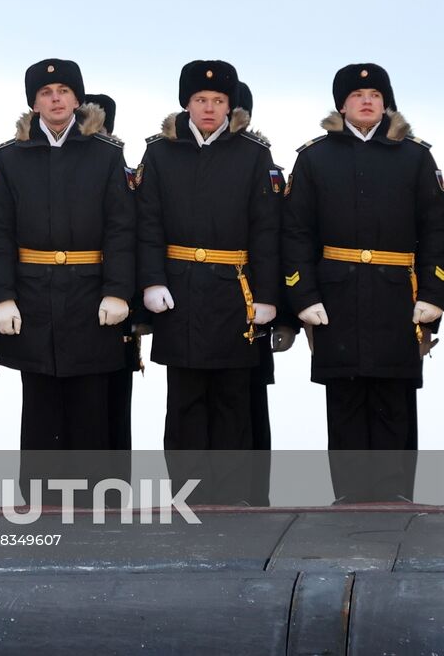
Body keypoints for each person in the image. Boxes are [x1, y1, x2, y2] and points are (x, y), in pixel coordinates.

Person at [282, 64, 444, 502]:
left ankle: (396, 501)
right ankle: (350, 500)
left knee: (394, 397)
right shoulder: (315, 157)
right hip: (336, 295)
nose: (367, 101)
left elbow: (436, 231)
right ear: (341, 104)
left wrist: (434, 293)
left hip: (399, 295)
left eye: (375, 93)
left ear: (386, 102)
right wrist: (304, 296)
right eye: (357, 95)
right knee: (347, 398)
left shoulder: (416, 156)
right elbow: (296, 232)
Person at [0, 59, 135, 500]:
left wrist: (117, 291)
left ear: (77, 99)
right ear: (33, 101)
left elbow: (122, 228)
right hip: (32, 294)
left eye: (64, 91)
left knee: (90, 399)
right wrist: (1, 297)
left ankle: (91, 501)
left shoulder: (106, 155)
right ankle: (40, 499)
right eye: (46, 91)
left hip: (91, 293)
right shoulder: (10, 159)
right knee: (40, 400)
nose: (55, 99)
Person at [136, 62, 279, 504]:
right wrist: (151, 282)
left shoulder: (253, 154)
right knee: (185, 396)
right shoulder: (160, 153)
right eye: (201, 100)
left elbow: (267, 230)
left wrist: (270, 296)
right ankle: (188, 493)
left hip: (236, 290)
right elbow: (146, 223)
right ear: (186, 103)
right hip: (178, 290)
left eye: (218, 101)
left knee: (233, 395)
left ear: (230, 105)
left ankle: (233, 495)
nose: (210, 108)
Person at [237, 81, 299, 505]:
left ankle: (255, 493)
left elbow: (279, 242)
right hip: (223, 300)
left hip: (255, 303)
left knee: (250, 398)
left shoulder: (263, 164)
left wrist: (285, 315)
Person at [85, 92, 142, 477]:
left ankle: (114, 483)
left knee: (115, 400)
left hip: (117, 302)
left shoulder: (122, 171)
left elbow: (133, 238)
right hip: (73, 298)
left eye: (101, 127)